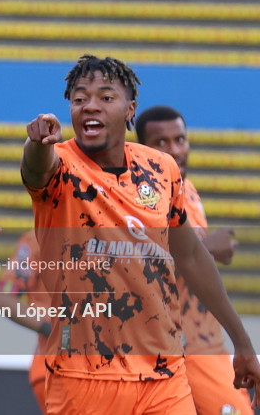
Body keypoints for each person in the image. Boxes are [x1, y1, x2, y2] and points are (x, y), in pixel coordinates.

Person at [20, 54, 260, 414]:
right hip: (85, 379)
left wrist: (242, 342)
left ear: (131, 109)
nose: (90, 106)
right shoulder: (61, 166)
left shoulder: (161, 169)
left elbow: (192, 257)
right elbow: (35, 168)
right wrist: (38, 144)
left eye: (105, 97)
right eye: (79, 98)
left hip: (165, 376)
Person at [136, 105, 251, 415]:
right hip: (181, 349)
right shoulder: (137, 198)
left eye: (180, 139)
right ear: (140, 148)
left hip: (206, 343)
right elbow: (134, 267)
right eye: (161, 143)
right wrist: (208, 249)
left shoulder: (188, 191)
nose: (175, 150)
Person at [0, 229, 50, 414]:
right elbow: (4, 299)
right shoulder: (37, 239)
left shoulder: (120, 236)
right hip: (56, 367)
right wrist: (52, 329)